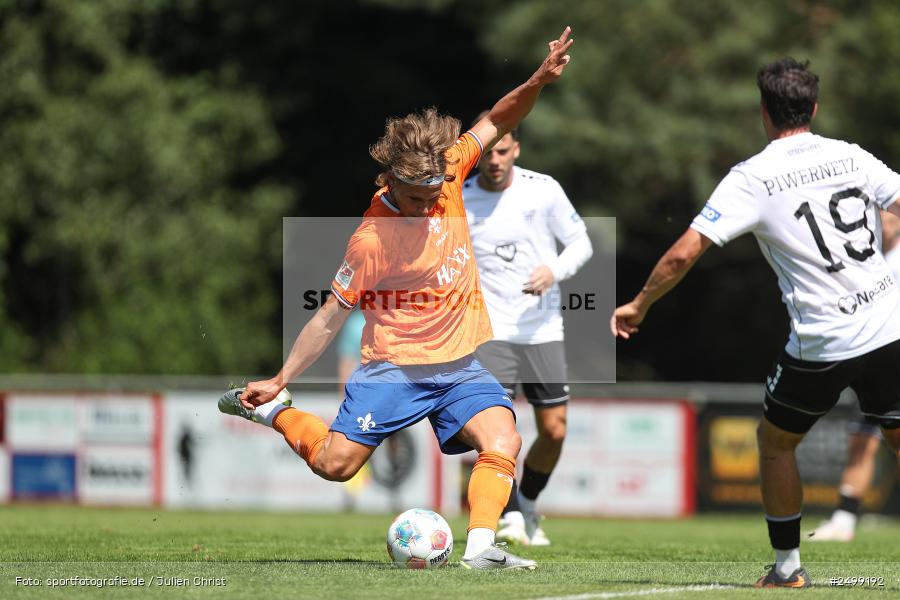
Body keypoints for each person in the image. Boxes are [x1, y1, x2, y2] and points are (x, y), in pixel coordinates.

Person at [218, 27, 574, 571]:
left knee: (503, 440)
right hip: (394, 371)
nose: (428, 204)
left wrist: (538, 80)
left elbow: (499, 118)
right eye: (416, 196)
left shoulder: (449, 171)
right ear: (391, 179)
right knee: (336, 465)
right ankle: (275, 413)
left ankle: (480, 549)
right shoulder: (371, 239)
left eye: (435, 194)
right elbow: (331, 315)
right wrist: (282, 375)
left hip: (459, 367)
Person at [610, 58, 900, 589]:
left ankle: (788, 570)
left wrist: (639, 304)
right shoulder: (850, 155)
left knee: (774, 442)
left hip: (824, 340)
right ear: (814, 108)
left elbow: (682, 255)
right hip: (888, 325)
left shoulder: (753, 177)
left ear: (764, 111)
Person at [462, 119, 592, 546]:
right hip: (489, 332)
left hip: (541, 330)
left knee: (554, 429)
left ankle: (527, 502)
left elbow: (581, 243)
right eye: (488, 152)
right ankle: (511, 513)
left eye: (503, 151)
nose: (495, 160)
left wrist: (552, 270)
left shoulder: (544, 189)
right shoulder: (460, 200)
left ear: (516, 149)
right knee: (491, 430)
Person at [811, 210, 900, 542]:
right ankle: (845, 517)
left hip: (892, 354)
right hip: (873, 357)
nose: (883, 226)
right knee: (861, 441)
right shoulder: (864, 259)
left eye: (889, 220)